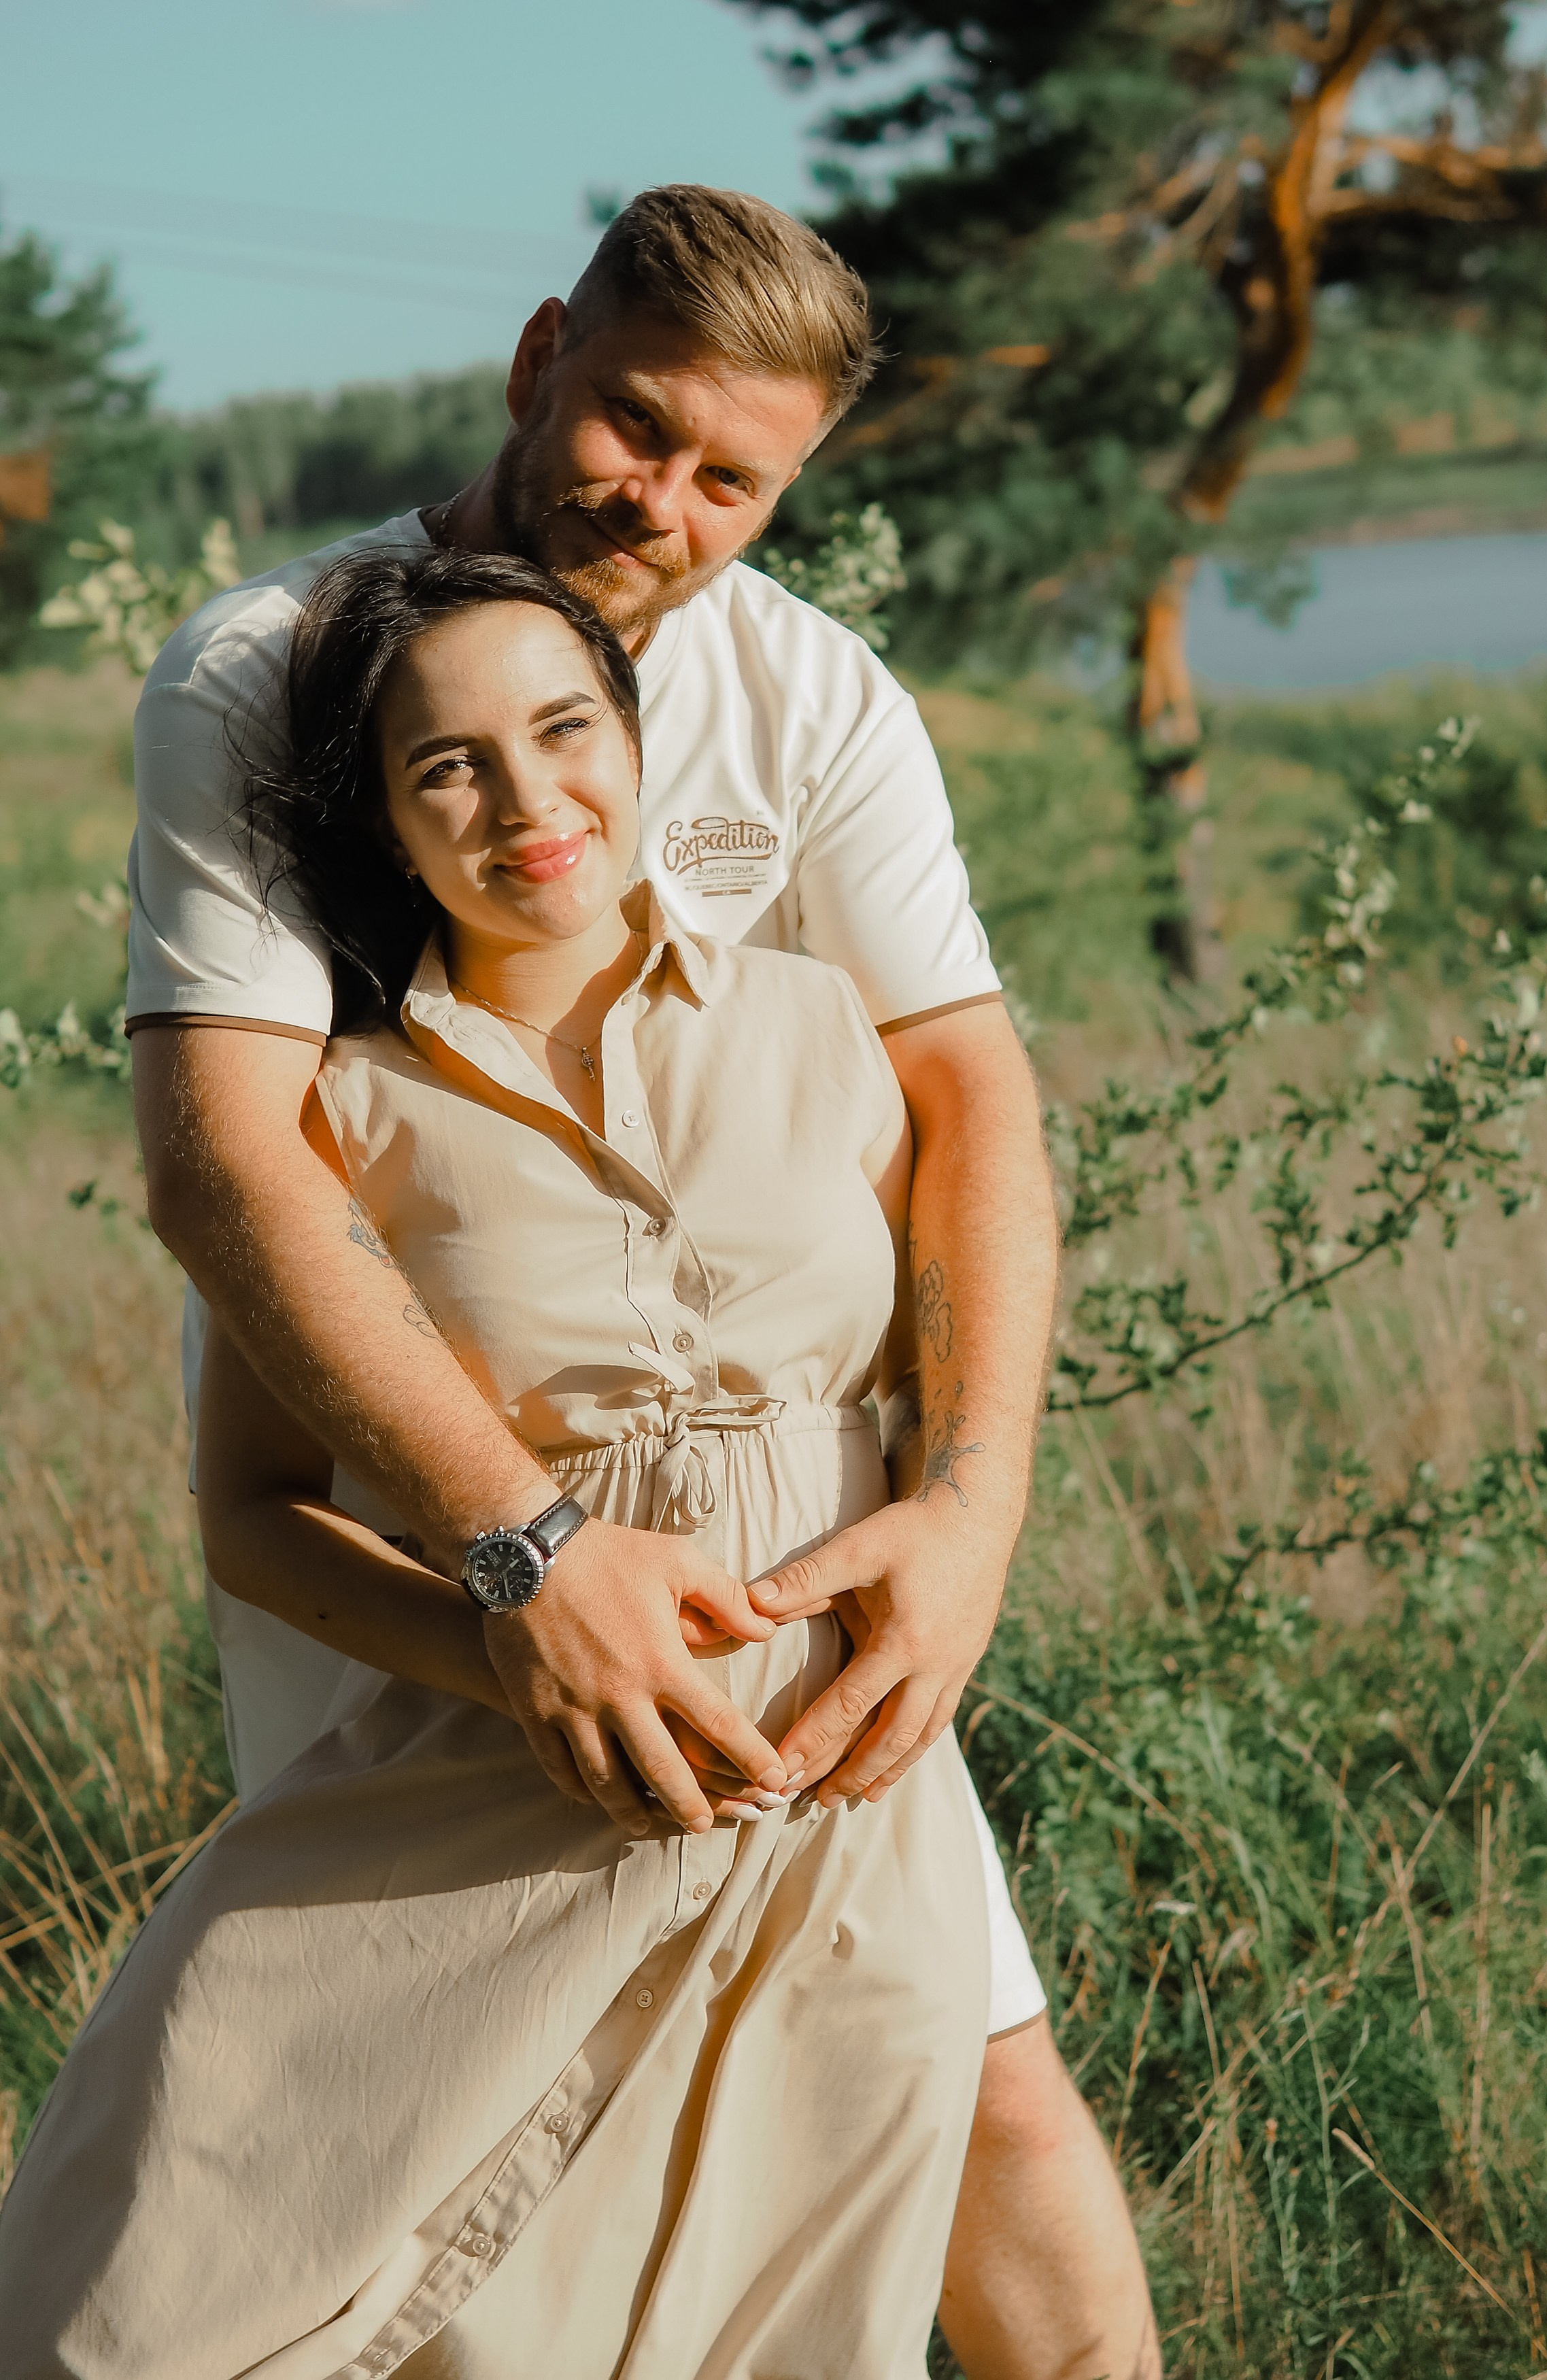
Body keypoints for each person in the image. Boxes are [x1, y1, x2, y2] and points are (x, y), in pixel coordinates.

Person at [124, 187, 1157, 2379]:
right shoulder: (273, 666)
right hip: (426, 1546)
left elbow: (974, 1111)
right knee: (408, 2212)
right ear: (537, 359)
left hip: (796, 1592)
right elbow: (229, 1165)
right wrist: (525, 1558)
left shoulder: (817, 697)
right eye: (634, 426)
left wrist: (968, 1517)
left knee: (974, 2090)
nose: (663, 504)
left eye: (733, 478)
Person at [0, 547, 993, 2378]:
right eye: (446, 762)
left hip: (838, 1840)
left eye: (563, 728)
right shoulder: (338, 1112)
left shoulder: (823, 1032)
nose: (527, 800)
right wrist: (510, 1653)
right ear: (381, 815)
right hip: (476, 1819)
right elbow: (251, 1515)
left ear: (636, 739)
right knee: (137, 2303)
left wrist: (962, 1518)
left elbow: (943, 1383)